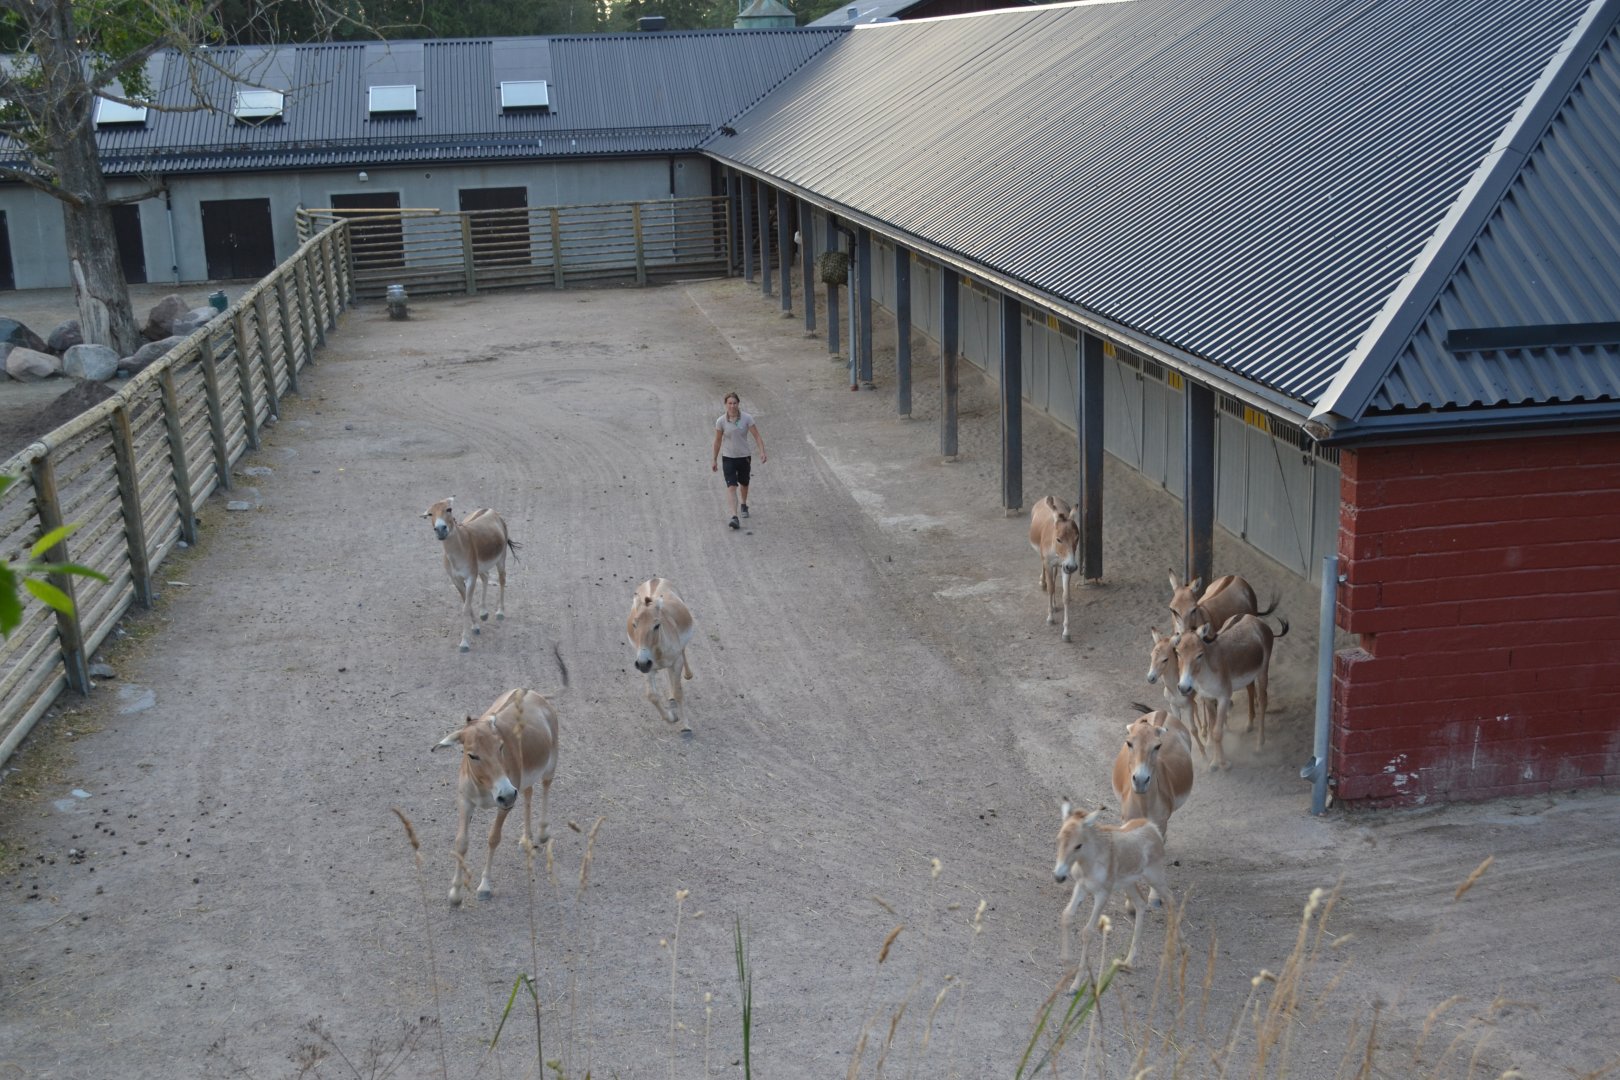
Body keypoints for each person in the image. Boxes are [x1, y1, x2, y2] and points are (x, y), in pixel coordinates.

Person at [711, 392, 766, 530]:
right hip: (728, 457)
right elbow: (717, 441)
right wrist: (714, 459)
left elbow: (757, 436)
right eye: (729, 403)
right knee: (731, 486)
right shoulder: (721, 421)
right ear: (726, 404)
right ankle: (734, 517)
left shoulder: (747, 418)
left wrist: (762, 452)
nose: (732, 406)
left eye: (734, 403)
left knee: (744, 483)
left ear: (738, 404)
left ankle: (744, 504)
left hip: (744, 457)